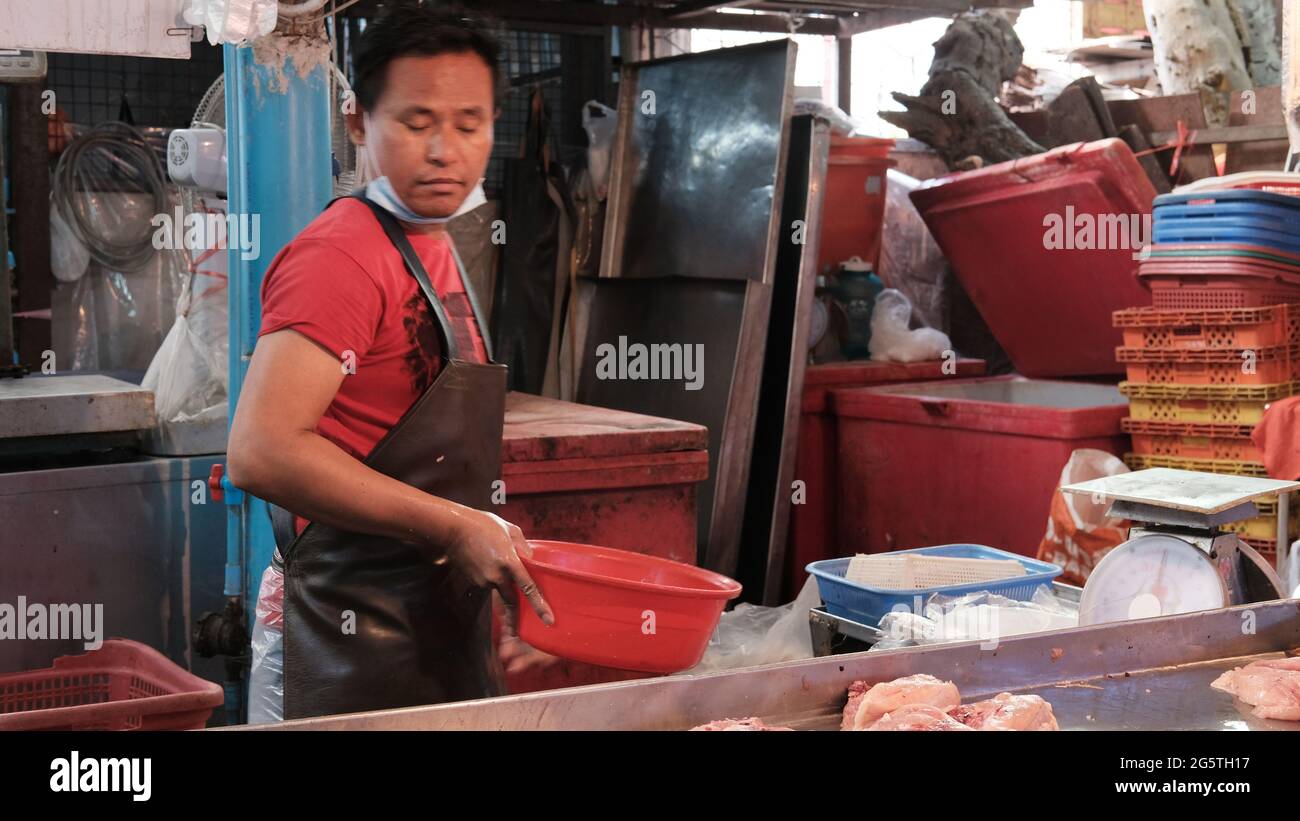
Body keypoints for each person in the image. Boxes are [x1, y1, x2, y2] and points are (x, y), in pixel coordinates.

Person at [229, 1, 553, 722]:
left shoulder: (436, 242)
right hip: (339, 631)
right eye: (416, 122)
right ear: (358, 122)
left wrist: (491, 552)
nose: (444, 151)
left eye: (468, 124)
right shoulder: (342, 254)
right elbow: (260, 452)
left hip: (429, 625)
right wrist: (453, 526)